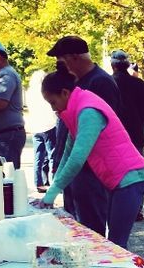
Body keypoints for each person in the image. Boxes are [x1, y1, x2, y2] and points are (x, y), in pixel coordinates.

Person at [30, 67, 144, 249]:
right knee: (109, 244)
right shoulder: (76, 110)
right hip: (117, 181)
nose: (53, 109)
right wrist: (51, 192)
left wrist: (52, 194)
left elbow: (77, 159)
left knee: (116, 245)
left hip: (130, 180)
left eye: (53, 102)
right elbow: (66, 155)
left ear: (64, 93)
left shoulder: (88, 111)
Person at [47, 35, 126, 220]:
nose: (59, 66)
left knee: (91, 226)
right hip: (74, 167)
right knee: (74, 223)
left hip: (90, 171)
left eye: (60, 61)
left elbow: (96, 133)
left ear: (74, 58)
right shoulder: (76, 82)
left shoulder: (100, 82)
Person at [110, 49, 144, 220]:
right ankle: (136, 207)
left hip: (114, 133)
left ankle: (116, 206)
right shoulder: (138, 84)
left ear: (113, 65)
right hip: (135, 132)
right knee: (137, 169)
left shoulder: (108, 83)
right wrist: (138, 120)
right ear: (127, 65)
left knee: (116, 170)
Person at [25, 69, 58, 191]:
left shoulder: (29, 92)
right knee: (52, 156)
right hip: (48, 125)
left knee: (38, 157)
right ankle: (53, 182)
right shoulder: (45, 91)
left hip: (35, 126)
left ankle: (38, 183)